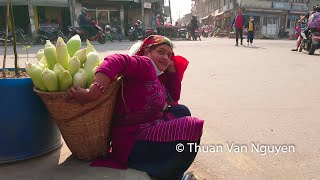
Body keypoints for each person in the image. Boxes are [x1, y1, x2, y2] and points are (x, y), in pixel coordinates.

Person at [68, 35, 204, 180]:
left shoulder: (156, 76)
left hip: (148, 127)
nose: (166, 57)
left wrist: (170, 67)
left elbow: (173, 97)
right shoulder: (144, 64)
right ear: (147, 52)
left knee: (181, 111)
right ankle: (173, 176)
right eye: (161, 52)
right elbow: (117, 60)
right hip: (132, 140)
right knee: (191, 125)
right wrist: (94, 91)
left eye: (169, 55)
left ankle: (162, 166)